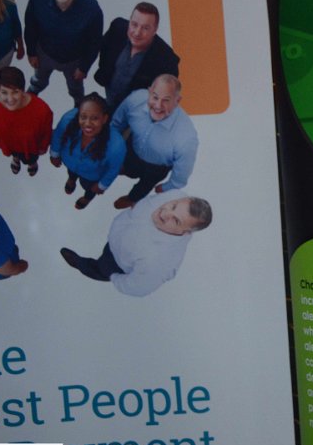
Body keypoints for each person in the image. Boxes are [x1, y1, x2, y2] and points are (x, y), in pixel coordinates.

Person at [59, 190, 211, 297]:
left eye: (176, 221)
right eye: (173, 206)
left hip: (116, 262)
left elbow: (138, 287)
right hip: (119, 237)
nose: (165, 213)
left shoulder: (159, 262)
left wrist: (115, 278)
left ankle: (81, 265)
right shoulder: (177, 196)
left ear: (186, 232)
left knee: (100, 269)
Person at [110, 74, 198, 209]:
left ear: (177, 100)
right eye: (155, 97)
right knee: (127, 168)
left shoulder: (186, 138)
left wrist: (167, 187)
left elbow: (181, 175)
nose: (158, 106)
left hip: (155, 168)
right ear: (149, 91)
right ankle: (126, 170)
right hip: (132, 150)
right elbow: (117, 124)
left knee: (144, 187)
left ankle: (131, 198)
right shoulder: (135, 99)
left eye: (166, 100)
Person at [24, 0, 103, 103]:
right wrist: (31, 52)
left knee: (76, 89)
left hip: (73, 60)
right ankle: (32, 94)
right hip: (44, 54)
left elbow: (95, 42)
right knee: (39, 81)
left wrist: (84, 67)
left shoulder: (91, 8)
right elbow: (30, 26)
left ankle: (78, 106)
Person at [93, 2, 180, 112]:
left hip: (137, 110)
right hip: (109, 98)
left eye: (145, 28)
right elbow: (104, 50)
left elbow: (166, 95)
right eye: (134, 24)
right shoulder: (117, 28)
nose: (137, 33)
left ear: (155, 30)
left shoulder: (167, 60)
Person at [50, 93, 127, 210]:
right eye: (83, 117)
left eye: (95, 118)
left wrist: (102, 185)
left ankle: (87, 198)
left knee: (90, 188)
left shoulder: (116, 145)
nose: (87, 123)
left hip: (92, 175)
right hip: (71, 162)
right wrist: (54, 154)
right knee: (71, 172)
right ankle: (71, 179)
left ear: (104, 119)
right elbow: (58, 136)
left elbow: (113, 168)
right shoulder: (68, 120)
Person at [0, 66, 53, 176]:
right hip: (8, 145)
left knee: (30, 159)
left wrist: (43, 147)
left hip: (30, 148)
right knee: (14, 154)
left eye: (15, 92)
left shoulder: (42, 111)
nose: (10, 99)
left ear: (23, 90)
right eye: (4, 92)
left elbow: (46, 133)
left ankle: (32, 163)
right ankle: (16, 159)